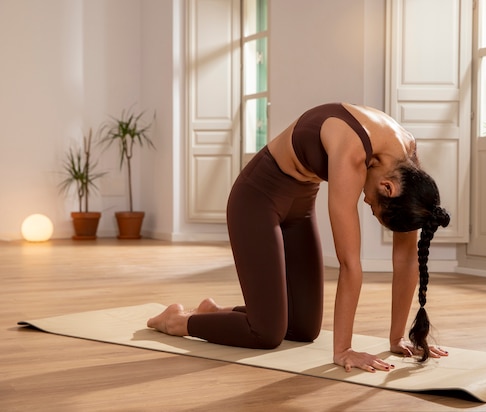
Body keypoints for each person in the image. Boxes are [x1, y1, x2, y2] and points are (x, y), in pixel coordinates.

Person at [148, 102, 450, 373]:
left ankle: (213, 313)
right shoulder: (353, 150)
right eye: (374, 208)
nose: (367, 205)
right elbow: (349, 264)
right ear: (387, 188)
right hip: (257, 199)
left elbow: (407, 256)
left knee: (303, 328)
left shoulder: (407, 168)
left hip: (299, 207)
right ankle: (177, 320)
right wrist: (343, 351)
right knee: (266, 333)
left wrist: (397, 338)